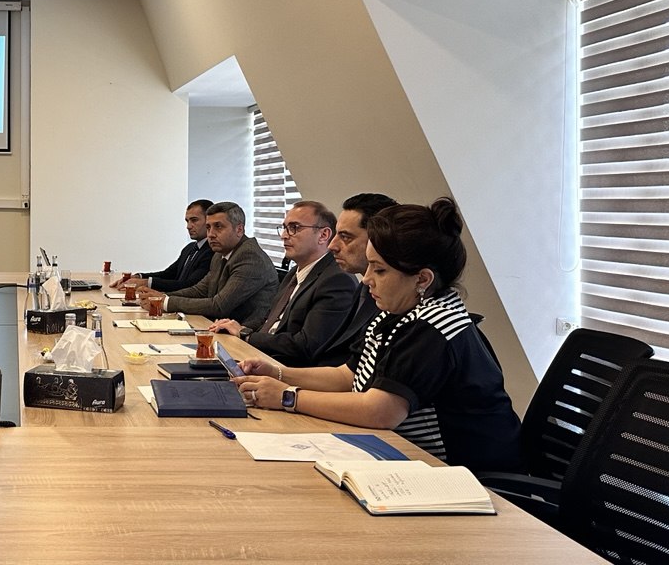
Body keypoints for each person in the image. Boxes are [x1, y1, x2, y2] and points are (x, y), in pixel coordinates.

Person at [230, 198, 521, 473]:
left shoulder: (431, 325)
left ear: (422, 279)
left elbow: (382, 411)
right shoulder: (396, 312)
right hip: (403, 451)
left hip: (458, 472)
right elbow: (348, 376)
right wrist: (279, 373)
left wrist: (288, 397)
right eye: (369, 265)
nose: (367, 279)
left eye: (379, 270)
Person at [209, 201, 356, 367]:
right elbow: (268, 320)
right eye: (285, 228)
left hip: (287, 370)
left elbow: (306, 345)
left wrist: (245, 335)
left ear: (323, 235)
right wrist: (234, 328)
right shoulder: (294, 273)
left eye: (294, 228)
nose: (284, 235)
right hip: (260, 356)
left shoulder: (336, 280)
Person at [136, 201, 276, 324]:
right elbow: (200, 290)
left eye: (218, 227)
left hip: (244, 336)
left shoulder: (250, 257)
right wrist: (162, 297)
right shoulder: (220, 254)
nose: (211, 234)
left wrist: (165, 302)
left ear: (239, 229)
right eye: (208, 227)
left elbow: (219, 306)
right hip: (217, 326)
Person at [310, 192, 399, 366]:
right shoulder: (363, 288)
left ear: (378, 238)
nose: (332, 246)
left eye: (345, 237)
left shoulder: (393, 303)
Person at [112, 199, 215, 292]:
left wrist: (146, 283)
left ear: (209, 221)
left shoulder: (212, 251)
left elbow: (190, 285)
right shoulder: (189, 248)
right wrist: (139, 277)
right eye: (187, 221)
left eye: (194, 220)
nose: (188, 226)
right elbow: (168, 274)